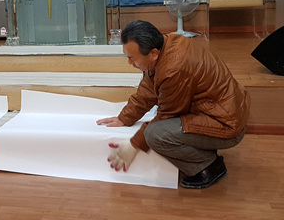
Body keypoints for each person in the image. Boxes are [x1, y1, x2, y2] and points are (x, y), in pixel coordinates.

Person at [97, 20, 250, 189]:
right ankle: (202, 153)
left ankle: (209, 166)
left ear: (153, 53)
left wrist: (133, 145)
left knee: (155, 134)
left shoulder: (174, 68)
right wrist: (125, 118)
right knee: (157, 131)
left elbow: (167, 115)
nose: (129, 63)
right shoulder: (166, 45)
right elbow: (148, 90)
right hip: (220, 113)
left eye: (132, 58)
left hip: (226, 124)